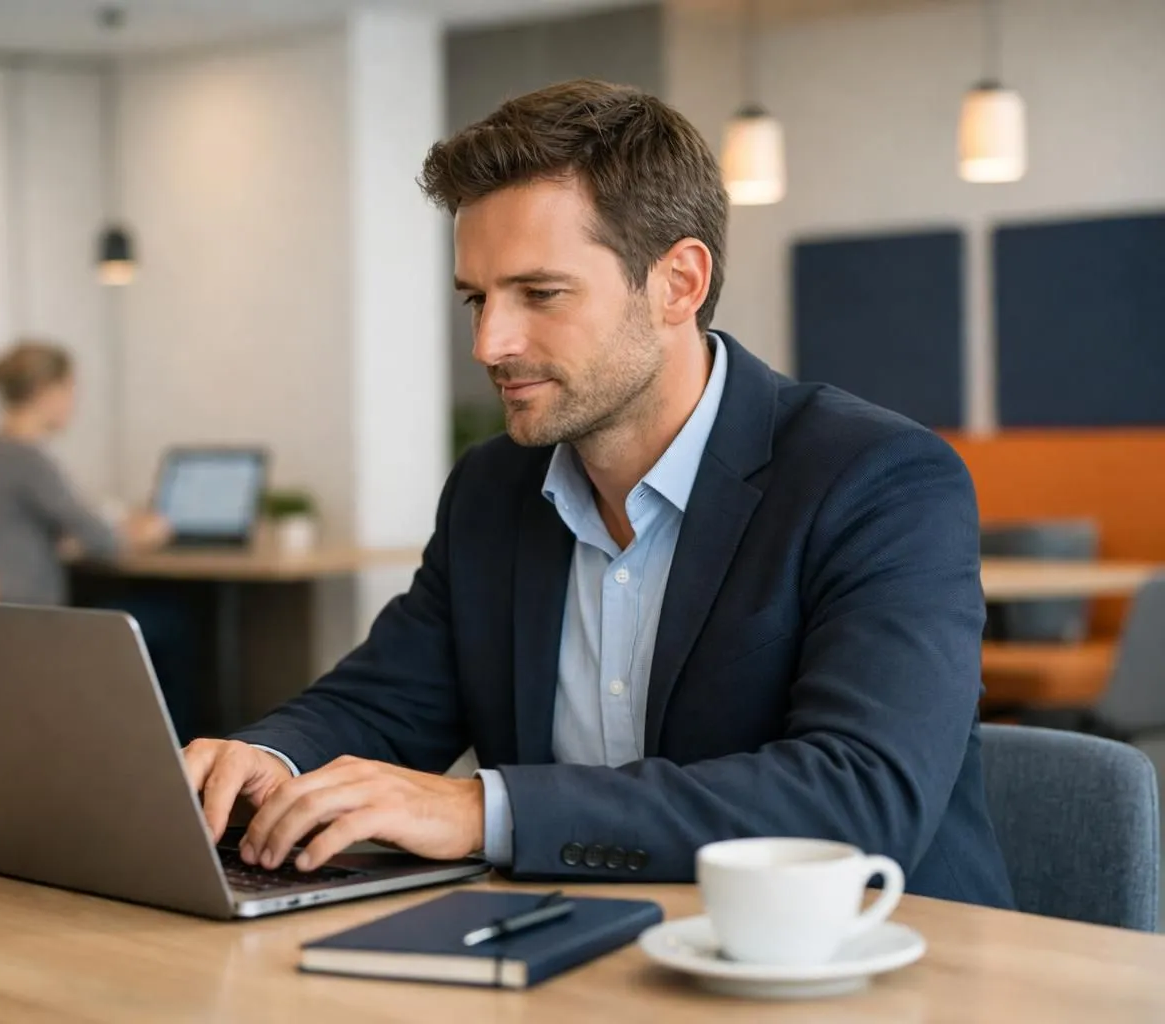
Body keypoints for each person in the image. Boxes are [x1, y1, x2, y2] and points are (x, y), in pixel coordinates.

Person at [182, 79, 1015, 910]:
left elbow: (860, 796)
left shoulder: (878, 480)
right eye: (477, 299)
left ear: (678, 283)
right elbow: (386, 701)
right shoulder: (492, 489)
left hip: (870, 954)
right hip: (588, 945)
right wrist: (267, 760)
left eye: (540, 294)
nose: (489, 343)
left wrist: (483, 811)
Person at [0, 340, 198, 739]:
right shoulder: (28, 459)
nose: (74, 404)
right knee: (176, 618)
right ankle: (180, 752)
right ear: (49, 392)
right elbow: (102, 540)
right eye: (71, 390)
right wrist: (150, 529)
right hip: (29, 624)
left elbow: (13, 530)